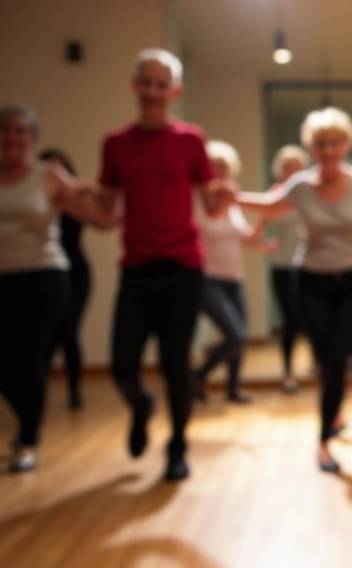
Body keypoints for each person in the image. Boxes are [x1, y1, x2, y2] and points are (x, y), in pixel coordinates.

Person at [75, 49, 237, 482]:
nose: (152, 91)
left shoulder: (191, 140)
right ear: (134, 86)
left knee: (175, 366)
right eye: (146, 82)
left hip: (183, 268)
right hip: (137, 270)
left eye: (161, 84)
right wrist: (75, 199)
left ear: (174, 91)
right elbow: (107, 212)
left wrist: (223, 194)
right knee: (122, 366)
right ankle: (142, 406)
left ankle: (178, 447)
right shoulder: (115, 143)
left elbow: (211, 205)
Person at [236, 107, 352, 473]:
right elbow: (268, 205)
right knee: (326, 360)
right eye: (322, 143)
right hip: (310, 281)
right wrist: (231, 197)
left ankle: (324, 441)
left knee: (339, 359)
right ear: (312, 146)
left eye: (335, 143)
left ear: (346, 145)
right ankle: (332, 412)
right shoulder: (301, 186)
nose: (328, 150)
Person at [0, 105, 98, 472]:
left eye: (21, 131)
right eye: (5, 129)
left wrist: (97, 193)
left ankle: (28, 439)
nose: (12, 137)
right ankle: (28, 412)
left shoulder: (48, 175)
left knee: (29, 357)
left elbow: (93, 214)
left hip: (42, 276)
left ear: (32, 138)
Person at [194, 141, 274, 405]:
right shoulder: (197, 201)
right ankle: (197, 376)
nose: (220, 174)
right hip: (206, 278)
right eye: (215, 168)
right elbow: (208, 226)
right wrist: (224, 203)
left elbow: (246, 238)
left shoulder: (233, 204)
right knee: (235, 334)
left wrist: (265, 218)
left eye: (224, 169)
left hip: (234, 277)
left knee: (240, 337)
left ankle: (232, 388)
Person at [39, 149, 92, 410]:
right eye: (49, 168)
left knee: (69, 332)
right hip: (43, 274)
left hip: (75, 273)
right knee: (45, 337)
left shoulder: (76, 200)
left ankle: (74, 392)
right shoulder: (33, 201)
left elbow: (98, 217)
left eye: (61, 169)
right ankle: (37, 397)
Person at [265, 145, 310, 392]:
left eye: (296, 165)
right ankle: (288, 373)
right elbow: (259, 223)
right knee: (290, 320)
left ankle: (317, 363)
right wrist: (262, 245)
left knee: (312, 318)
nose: (291, 170)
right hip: (282, 267)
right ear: (279, 170)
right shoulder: (275, 194)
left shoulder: (311, 192)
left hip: (309, 265)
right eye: (286, 166)